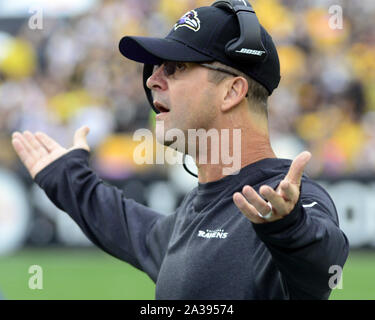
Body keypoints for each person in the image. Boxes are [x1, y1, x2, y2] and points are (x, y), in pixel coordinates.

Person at [11, 1, 348, 299]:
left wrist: (288, 231)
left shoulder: (284, 203)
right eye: (155, 68)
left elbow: (324, 259)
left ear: (232, 91)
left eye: (174, 67)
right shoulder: (193, 215)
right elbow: (129, 228)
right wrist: (67, 178)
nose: (151, 80)